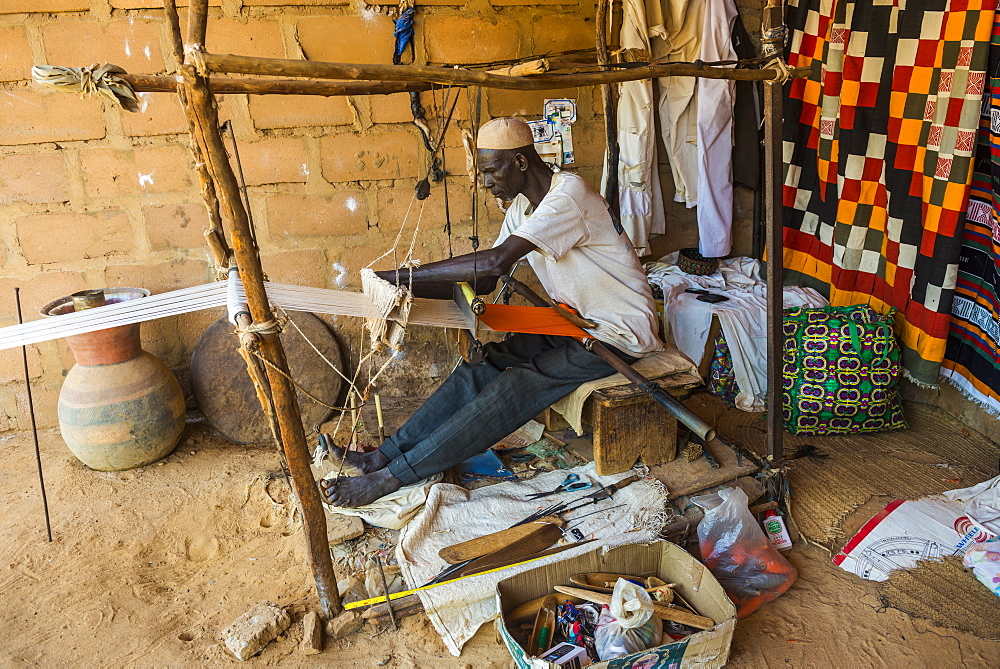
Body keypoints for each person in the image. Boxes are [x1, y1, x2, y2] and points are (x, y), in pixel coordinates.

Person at [321, 117, 663, 508]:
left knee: (516, 385)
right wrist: (399, 290)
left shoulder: (569, 196)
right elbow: (482, 282)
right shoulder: (522, 207)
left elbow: (495, 263)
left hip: (618, 332)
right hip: (575, 322)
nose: (485, 183)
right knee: (482, 367)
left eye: (489, 171)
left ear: (520, 162)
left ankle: (389, 478)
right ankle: (382, 456)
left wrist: (404, 277)